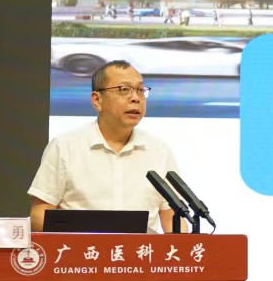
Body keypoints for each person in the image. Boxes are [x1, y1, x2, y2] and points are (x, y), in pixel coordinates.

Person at [28, 60, 180, 234]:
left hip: (141, 251)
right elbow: (39, 215)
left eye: (140, 90)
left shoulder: (159, 151)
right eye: (124, 89)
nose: (136, 98)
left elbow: (172, 217)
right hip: (83, 250)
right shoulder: (65, 146)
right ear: (97, 100)